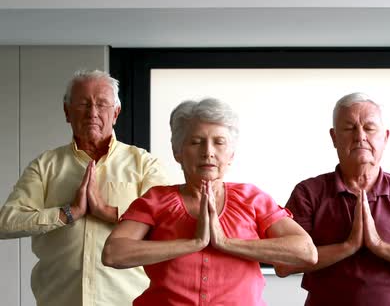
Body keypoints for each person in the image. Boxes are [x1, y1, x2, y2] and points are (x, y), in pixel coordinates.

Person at [101, 98, 317, 306]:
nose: (208, 152)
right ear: (177, 152)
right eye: (196, 142)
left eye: (219, 142)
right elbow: (113, 253)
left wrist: (225, 243)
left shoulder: (252, 198)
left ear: (231, 153)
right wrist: (193, 243)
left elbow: (306, 252)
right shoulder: (156, 200)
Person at [0, 70, 169, 306]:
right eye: (83, 104)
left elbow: (169, 226)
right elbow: (6, 222)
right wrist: (68, 213)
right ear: (67, 112)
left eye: (102, 104)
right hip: (57, 300)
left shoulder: (144, 165)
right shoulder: (45, 165)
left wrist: (107, 212)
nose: (93, 112)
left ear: (116, 113)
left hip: (127, 301)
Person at [276, 92, 390, 306]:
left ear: (386, 137)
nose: (360, 136)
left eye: (369, 128)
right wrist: (348, 246)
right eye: (349, 128)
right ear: (334, 137)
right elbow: (283, 264)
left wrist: (379, 246)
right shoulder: (308, 192)